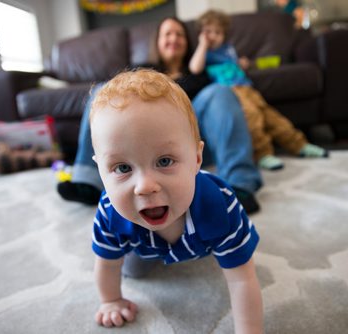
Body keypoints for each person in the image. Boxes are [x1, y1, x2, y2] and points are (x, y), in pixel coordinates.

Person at [90, 69, 263, 333]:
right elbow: (106, 262)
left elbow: (242, 280)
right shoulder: (109, 212)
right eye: (122, 168)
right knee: (133, 271)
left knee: (227, 254)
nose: (145, 186)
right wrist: (111, 300)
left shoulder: (221, 204)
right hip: (140, 245)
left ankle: (206, 246)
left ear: (196, 159)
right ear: (101, 171)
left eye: (164, 161)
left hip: (203, 239)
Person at [58, 17, 262, 214]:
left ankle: (239, 183)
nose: (173, 38)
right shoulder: (142, 74)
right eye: (167, 34)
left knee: (221, 91)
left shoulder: (200, 70)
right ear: (157, 42)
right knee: (102, 92)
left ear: (187, 42)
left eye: (179, 34)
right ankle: (89, 181)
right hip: (146, 144)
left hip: (192, 142)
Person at [189, 9, 328, 171]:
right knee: (252, 117)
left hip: (248, 88)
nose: (213, 36)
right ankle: (262, 153)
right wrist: (203, 44)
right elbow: (195, 68)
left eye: (218, 32)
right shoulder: (205, 52)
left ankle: (300, 145)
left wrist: (241, 64)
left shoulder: (228, 48)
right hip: (231, 93)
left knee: (273, 117)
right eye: (208, 32)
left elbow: (233, 64)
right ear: (201, 33)